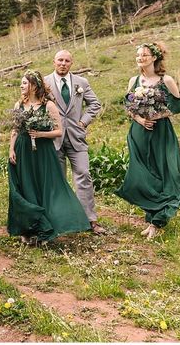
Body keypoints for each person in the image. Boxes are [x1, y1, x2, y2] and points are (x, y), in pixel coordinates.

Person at [115, 42, 180, 239]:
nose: (141, 58)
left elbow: (176, 108)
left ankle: (158, 221)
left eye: (145, 55)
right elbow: (129, 107)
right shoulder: (134, 80)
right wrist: (140, 119)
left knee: (163, 172)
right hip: (139, 132)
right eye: (138, 55)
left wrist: (156, 116)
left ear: (154, 58)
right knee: (144, 175)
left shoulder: (166, 80)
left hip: (160, 133)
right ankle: (151, 219)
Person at [8, 70, 91, 243]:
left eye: (24, 83)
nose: (21, 86)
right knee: (25, 186)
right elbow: (15, 129)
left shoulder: (49, 106)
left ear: (34, 85)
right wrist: (11, 150)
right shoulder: (19, 105)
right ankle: (28, 228)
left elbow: (59, 131)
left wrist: (40, 134)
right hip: (23, 149)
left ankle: (50, 224)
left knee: (46, 187)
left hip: (43, 151)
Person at [44, 50, 105, 234]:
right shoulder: (44, 82)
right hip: (53, 138)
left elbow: (95, 104)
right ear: (54, 61)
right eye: (60, 60)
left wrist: (83, 121)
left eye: (67, 61)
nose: (63, 63)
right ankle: (62, 219)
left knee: (84, 174)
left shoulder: (81, 83)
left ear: (72, 63)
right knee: (58, 180)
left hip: (76, 137)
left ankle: (89, 219)